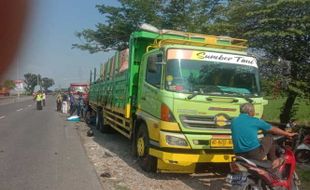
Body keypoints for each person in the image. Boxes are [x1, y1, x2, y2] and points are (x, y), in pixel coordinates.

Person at [230, 103, 297, 168]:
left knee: (260, 141)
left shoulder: (234, 120)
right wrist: (288, 134)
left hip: (238, 154)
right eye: (253, 111)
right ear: (250, 111)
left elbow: (244, 130)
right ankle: (273, 161)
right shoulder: (255, 121)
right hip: (254, 154)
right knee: (269, 137)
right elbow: (273, 129)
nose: (254, 113)